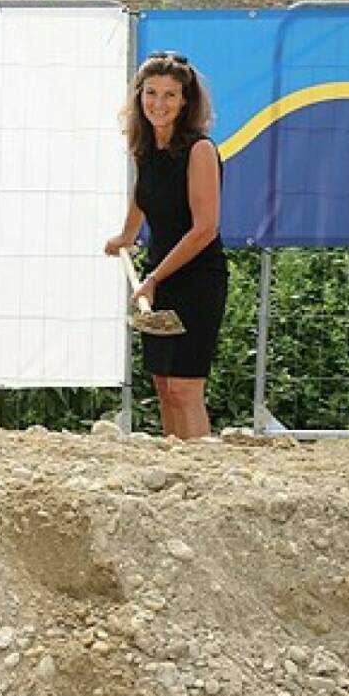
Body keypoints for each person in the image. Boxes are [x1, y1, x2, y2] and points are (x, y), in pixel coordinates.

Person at [104, 51, 227, 440]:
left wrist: (153, 277)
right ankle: (178, 469)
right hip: (158, 275)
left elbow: (204, 229)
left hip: (195, 279)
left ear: (186, 100)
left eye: (170, 95)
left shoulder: (200, 150)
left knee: (186, 388)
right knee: (164, 387)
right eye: (151, 93)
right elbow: (143, 195)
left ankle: (201, 474)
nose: (159, 103)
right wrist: (127, 235)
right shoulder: (147, 146)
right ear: (139, 96)